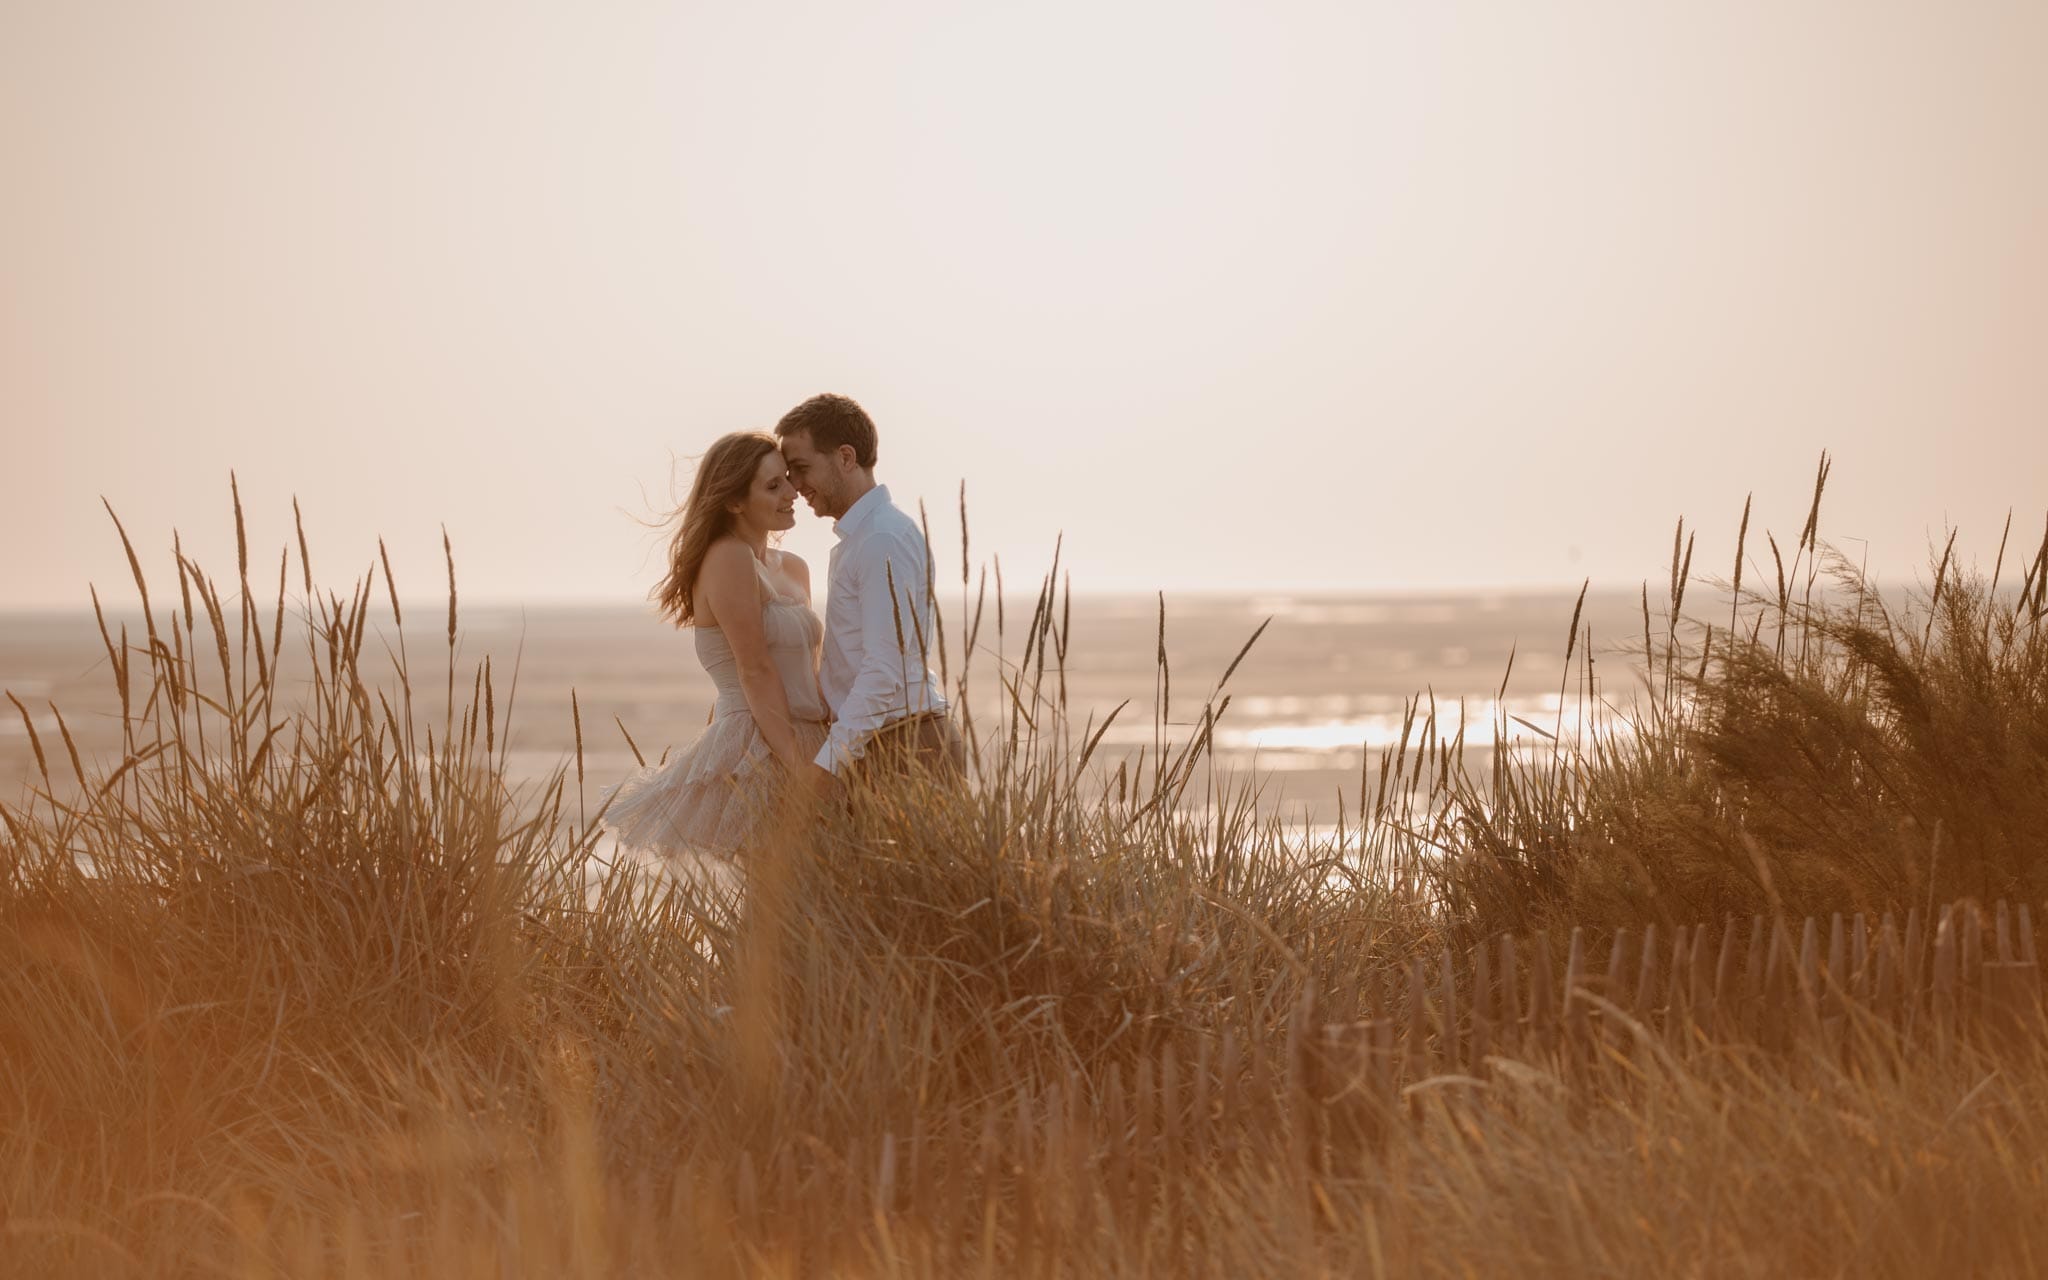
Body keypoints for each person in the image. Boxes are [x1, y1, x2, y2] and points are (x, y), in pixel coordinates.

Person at [601, 432, 829, 861]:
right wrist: (798, 765)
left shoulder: (795, 568)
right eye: (773, 485)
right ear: (733, 502)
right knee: (774, 896)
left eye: (788, 479)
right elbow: (755, 669)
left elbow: (811, 670)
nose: (792, 492)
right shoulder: (728, 558)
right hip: (760, 743)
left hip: (812, 735)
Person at [774, 393, 964, 790]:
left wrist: (828, 763)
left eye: (801, 468)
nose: (795, 485)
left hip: (904, 750)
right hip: (887, 743)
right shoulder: (866, 536)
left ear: (845, 457)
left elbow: (884, 668)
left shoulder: (880, 539)